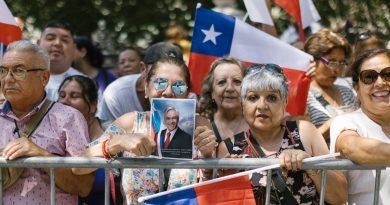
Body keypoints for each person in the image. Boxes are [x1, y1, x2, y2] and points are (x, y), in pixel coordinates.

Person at [73, 56, 217, 204]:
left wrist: (208, 156)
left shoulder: (199, 124)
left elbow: (212, 183)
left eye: (178, 85)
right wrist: (116, 143)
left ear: (188, 93)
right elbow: (78, 168)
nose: (168, 92)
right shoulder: (130, 122)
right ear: (147, 88)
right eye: (160, 83)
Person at [217, 64, 347, 204]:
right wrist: (228, 181)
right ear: (243, 105)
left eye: (272, 98)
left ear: (284, 103)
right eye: (253, 97)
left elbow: (340, 197)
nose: (262, 106)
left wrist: (309, 163)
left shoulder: (305, 132)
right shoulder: (229, 148)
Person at [0, 40, 94, 204]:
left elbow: (83, 187)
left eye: (19, 70)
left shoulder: (69, 118)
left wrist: (42, 156)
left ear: (44, 77)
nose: (8, 79)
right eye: (3, 71)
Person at [330, 49, 390, 205]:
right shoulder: (347, 122)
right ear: (356, 88)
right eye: (369, 77)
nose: (380, 83)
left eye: (388, 74)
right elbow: (351, 147)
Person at [57, 75, 120, 205]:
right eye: (62, 95)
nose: (64, 101)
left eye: (74, 96)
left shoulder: (113, 133)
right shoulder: (53, 135)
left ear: (93, 105)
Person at [98, 42, 184, 123]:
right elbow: (106, 132)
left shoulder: (182, 91)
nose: (168, 92)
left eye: (174, 70)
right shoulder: (115, 94)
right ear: (143, 69)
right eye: (158, 69)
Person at [304, 28, 357, 143]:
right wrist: (333, 124)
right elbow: (303, 142)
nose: (336, 69)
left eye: (341, 62)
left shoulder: (346, 91)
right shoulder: (303, 95)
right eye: (331, 61)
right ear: (312, 60)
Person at [200, 57, 248, 149]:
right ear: (211, 91)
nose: (229, 88)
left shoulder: (258, 125)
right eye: (222, 82)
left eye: (237, 82)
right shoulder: (200, 125)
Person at [38, 20, 85, 101]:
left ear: (74, 48)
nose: (57, 43)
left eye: (65, 40)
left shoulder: (85, 84)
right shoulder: (21, 79)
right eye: (50, 38)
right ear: (38, 44)